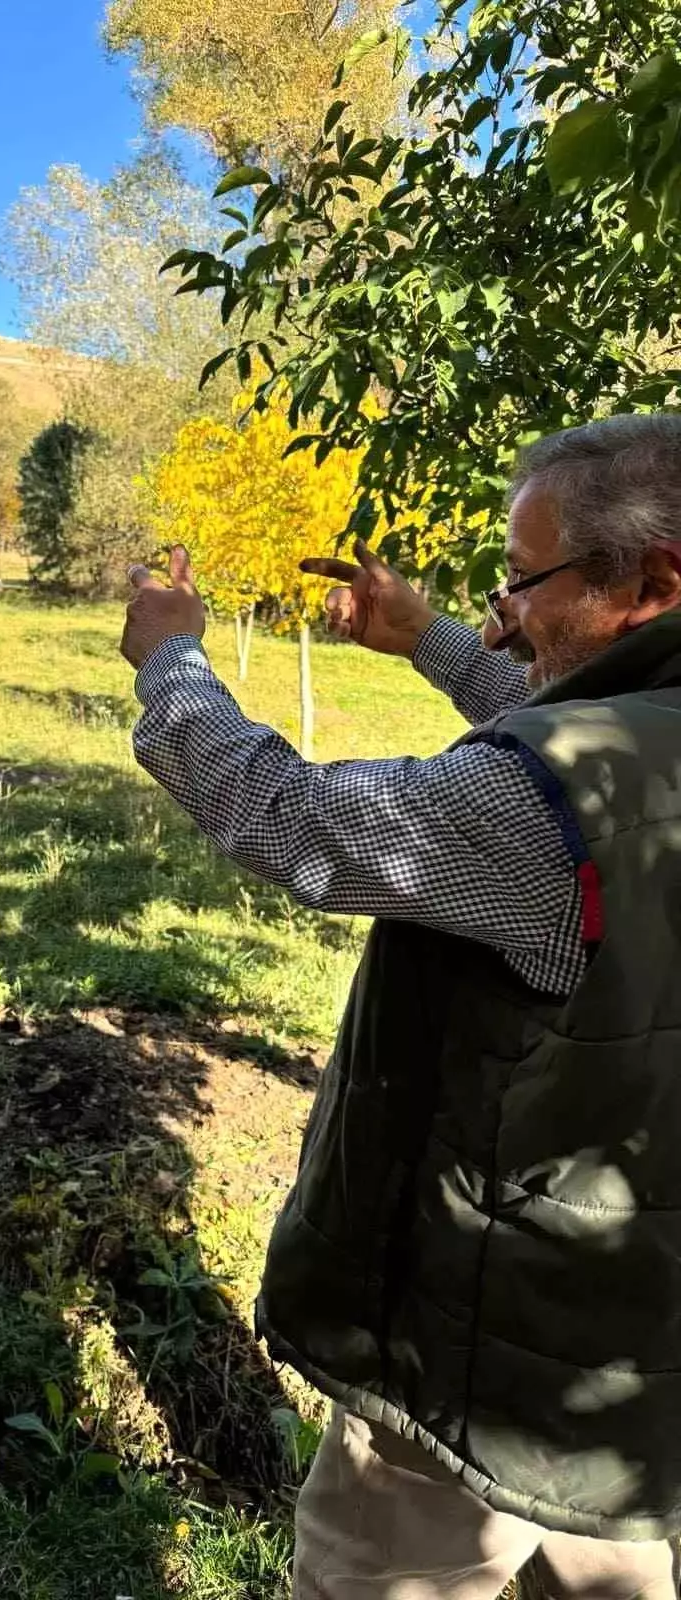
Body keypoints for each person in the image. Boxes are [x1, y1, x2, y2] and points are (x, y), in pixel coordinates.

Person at [120, 413, 681, 1600]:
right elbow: (588, 733)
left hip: (482, 1345)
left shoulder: (546, 805)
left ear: (652, 583)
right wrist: (429, 640)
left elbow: (294, 820)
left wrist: (171, 662)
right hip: (633, 1343)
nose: (507, 609)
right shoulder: (640, 751)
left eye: (526, 580)